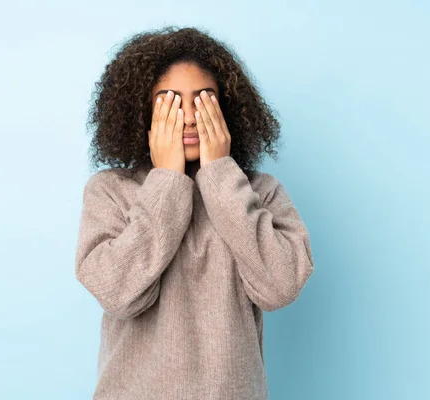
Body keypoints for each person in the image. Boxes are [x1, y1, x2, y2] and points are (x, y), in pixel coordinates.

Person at [75, 25, 315, 400]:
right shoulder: (111, 191)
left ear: (227, 108)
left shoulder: (261, 192)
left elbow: (280, 287)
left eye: (203, 100)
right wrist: (168, 179)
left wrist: (220, 175)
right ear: (142, 110)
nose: (188, 117)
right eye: (170, 101)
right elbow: (117, 293)